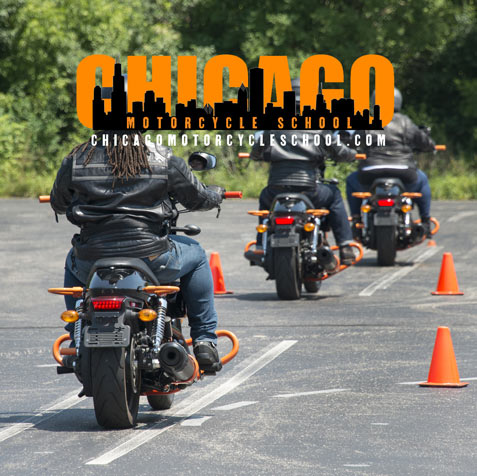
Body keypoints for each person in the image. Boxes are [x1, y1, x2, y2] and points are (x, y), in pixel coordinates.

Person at [50, 130, 223, 373]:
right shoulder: (162, 157)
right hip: (152, 256)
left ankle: (75, 337)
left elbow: (59, 202)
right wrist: (216, 194)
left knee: (73, 259)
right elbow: (197, 198)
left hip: (93, 258)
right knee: (196, 254)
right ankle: (204, 340)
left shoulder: (77, 159)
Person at [250, 81, 358, 265]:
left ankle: (260, 245)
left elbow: (255, 152)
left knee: (264, 199)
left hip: (276, 189)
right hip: (309, 190)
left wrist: (261, 155)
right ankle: (345, 246)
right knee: (334, 195)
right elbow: (341, 152)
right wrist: (352, 154)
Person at [346, 88, 435, 237]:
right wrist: (430, 145)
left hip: (370, 172)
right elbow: (425, 142)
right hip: (404, 171)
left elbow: (352, 143)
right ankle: (425, 222)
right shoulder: (405, 122)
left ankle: (356, 221)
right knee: (423, 180)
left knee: (351, 180)